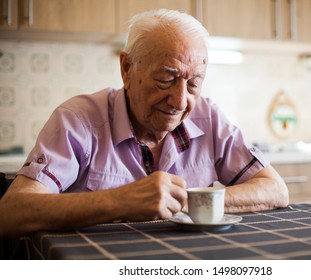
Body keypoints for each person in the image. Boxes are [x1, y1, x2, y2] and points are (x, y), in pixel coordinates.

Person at [0, 9, 288, 238]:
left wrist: (182, 201)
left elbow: (275, 189)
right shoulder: (79, 120)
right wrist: (121, 201)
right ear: (127, 69)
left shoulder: (209, 117)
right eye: (166, 79)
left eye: (193, 84)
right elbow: (11, 212)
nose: (179, 101)